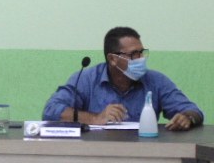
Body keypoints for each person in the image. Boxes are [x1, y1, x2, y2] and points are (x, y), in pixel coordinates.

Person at [42, 27, 204, 131]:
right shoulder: (87, 79)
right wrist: (95, 118)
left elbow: (193, 111)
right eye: (134, 54)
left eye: (142, 52)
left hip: (144, 154)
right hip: (94, 154)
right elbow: (51, 111)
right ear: (113, 59)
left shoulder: (155, 81)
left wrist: (187, 118)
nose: (141, 59)